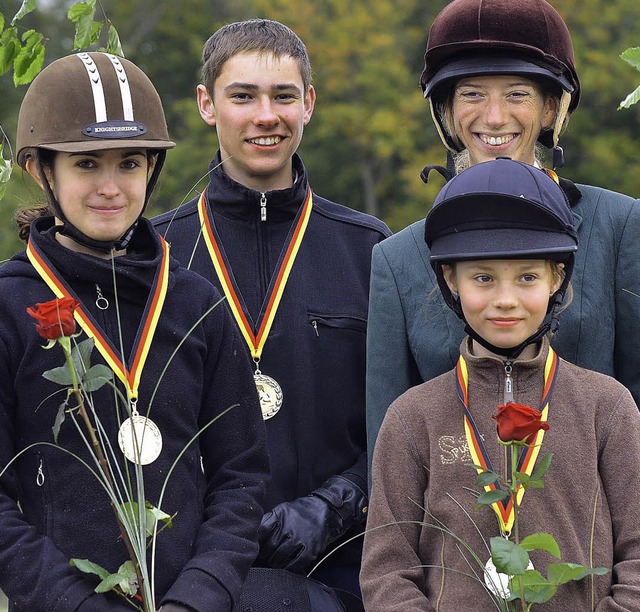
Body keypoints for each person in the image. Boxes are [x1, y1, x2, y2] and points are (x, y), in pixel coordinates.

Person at [0, 51, 269, 611]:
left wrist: (197, 598)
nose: (110, 187)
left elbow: (240, 480)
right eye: (86, 164)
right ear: (40, 170)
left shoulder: (197, 303)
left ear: (152, 169)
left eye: (128, 163)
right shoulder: (8, 305)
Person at [152, 18, 391, 607]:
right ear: (207, 104)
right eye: (243, 97)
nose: (266, 116)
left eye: (283, 96)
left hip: (343, 569)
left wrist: (336, 507)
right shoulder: (153, 257)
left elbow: (400, 410)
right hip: (195, 573)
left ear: (308, 103)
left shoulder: (370, 250)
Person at [365, 0, 640, 476]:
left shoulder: (620, 225)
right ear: (447, 111)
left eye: (517, 94)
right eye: (472, 94)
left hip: (590, 536)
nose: (494, 118)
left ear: (551, 106)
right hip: (452, 538)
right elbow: (386, 453)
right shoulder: (396, 259)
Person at [360, 157, 640, 610]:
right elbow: (387, 570)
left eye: (527, 276)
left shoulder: (607, 407)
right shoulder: (413, 416)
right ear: (451, 280)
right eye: (483, 278)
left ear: (557, 276)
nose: (505, 300)